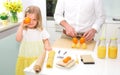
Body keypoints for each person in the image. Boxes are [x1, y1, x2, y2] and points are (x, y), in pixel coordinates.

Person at [16, 5, 52, 75]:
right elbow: (18, 39)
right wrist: (21, 26)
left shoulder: (41, 30)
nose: (31, 22)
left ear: (38, 20)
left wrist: (47, 46)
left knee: (37, 71)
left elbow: (46, 40)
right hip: (26, 56)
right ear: (25, 19)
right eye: (29, 19)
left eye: (34, 19)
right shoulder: (23, 30)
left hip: (38, 57)